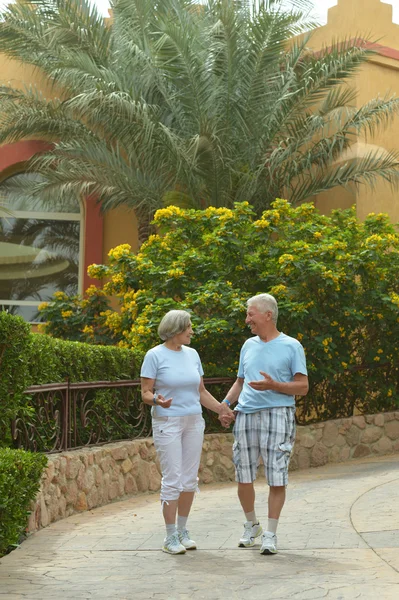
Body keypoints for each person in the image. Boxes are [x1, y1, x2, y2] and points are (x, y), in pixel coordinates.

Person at [140, 309, 234, 555]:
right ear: (175, 330)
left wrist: (220, 410)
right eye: (189, 327)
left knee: (189, 480)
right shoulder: (154, 355)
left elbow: (200, 391)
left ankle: (182, 530)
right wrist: (157, 401)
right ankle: (170, 536)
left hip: (194, 421)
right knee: (172, 479)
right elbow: (145, 392)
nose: (192, 331)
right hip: (167, 422)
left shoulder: (193, 354)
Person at [221, 293, 308, 555]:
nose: (247, 319)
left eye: (251, 314)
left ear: (268, 315)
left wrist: (274, 385)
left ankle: (270, 534)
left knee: (276, 477)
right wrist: (225, 404)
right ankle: (252, 525)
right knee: (243, 476)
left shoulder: (292, 346)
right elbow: (240, 381)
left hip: (278, 414)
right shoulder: (247, 345)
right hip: (246, 415)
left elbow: (303, 386)